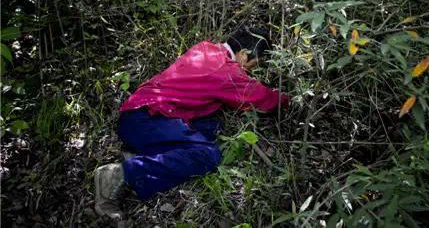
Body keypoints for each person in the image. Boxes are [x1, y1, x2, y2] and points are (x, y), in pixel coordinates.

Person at [94, 26, 289, 219]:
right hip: (147, 118)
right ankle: (120, 175)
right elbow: (262, 99)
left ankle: (143, 153)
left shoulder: (206, 48)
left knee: (213, 127)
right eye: (253, 64)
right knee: (208, 155)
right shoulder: (226, 72)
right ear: (244, 54)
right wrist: (291, 100)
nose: (250, 71)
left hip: (138, 113)